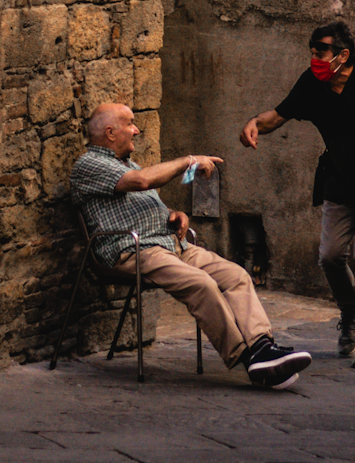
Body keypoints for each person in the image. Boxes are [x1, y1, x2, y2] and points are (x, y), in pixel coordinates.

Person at [71, 104, 311, 390]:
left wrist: (172, 214)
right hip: (136, 250)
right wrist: (189, 161)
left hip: (173, 244)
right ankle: (247, 357)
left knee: (235, 275)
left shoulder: (129, 164)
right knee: (201, 283)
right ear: (110, 133)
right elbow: (142, 181)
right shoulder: (89, 165)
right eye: (130, 124)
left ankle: (262, 346)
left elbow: (138, 198)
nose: (136, 129)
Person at [240, 20, 355, 371]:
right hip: (339, 181)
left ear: (343, 54)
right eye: (312, 52)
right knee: (330, 255)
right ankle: (350, 317)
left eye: (321, 52)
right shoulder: (312, 84)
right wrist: (253, 123)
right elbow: (276, 117)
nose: (314, 58)